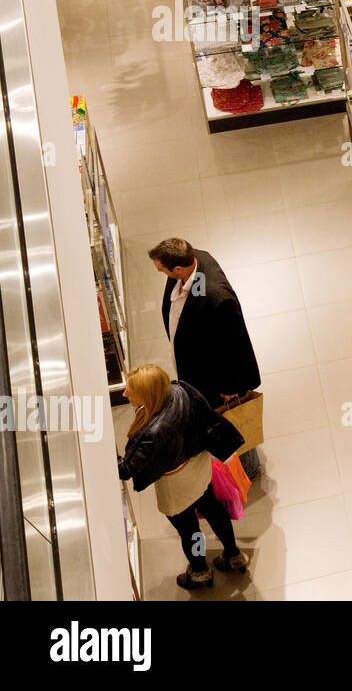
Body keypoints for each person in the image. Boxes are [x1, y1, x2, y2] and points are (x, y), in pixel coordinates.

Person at [118, 365, 249, 589]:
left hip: (176, 486)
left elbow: (127, 470)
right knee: (214, 510)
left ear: (146, 394)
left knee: (190, 531)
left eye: (130, 389)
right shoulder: (180, 391)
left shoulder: (151, 430)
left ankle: (200, 571)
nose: (124, 393)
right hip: (199, 468)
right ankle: (233, 554)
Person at [149, 238, 262, 476]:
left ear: (177, 269)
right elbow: (196, 310)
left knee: (231, 418)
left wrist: (230, 386)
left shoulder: (219, 299)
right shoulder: (193, 269)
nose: (160, 272)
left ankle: (249, 467)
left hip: (219, 380)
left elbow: (233, 345)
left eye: (161, 269)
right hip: (199, 365)